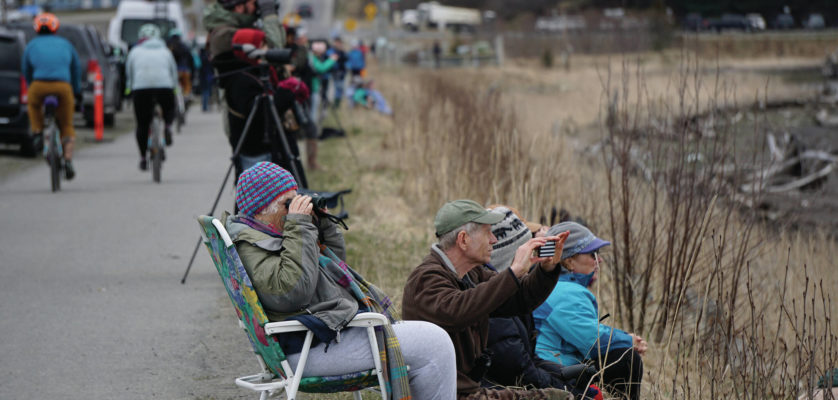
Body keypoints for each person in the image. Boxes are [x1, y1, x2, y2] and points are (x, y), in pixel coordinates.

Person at [223, 162, 457, 400]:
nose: (296, 208)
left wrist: (322, 226)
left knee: (432, 341)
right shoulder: (253, 247)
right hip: (308, 347)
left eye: (297, 200)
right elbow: (292, 293)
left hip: (318, 335)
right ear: (264, 209)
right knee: (435, 344)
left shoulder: (268, 235)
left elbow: (335, 271)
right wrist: (299, 226)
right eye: (288, 203)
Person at [402, 199, 573, 400]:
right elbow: (459, 310)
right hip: (446, 393)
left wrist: (546, 269)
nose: (493, 240)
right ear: (463, 239)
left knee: (559, 396)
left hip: (467, 389)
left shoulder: (469, 274)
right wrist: (513, 271)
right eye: (487, 232)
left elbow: (520, 298)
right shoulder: (426, 279)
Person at [533, 221, 646, 400]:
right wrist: (627, 340)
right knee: (626, 358)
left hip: (545, 365)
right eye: (592, 254)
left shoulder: (549, 285)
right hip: (552, 368)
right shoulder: (565, 291)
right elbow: (591, 340)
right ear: (569, 261)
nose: (599, 260)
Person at [22, 13, 81, 180]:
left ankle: (38, 132)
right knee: (67, 124)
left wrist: (30, 86)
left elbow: (26, 70)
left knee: (33, 107)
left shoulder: (31, 46)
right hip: (63, 87)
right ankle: (68, 160)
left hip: (38, 85)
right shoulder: (66, 44)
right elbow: (75, 69)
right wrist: (77, 91)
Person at [125, 24, 178, 171]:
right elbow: (173, 72)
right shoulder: (165, 51)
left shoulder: (134, 52)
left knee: (142, 125)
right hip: (164, 86)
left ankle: (143, 157)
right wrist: (174, 88)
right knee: (169, 108)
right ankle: (167, 125)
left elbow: (129, 74)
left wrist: (129, 89)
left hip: (141, 88)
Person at [166, 29, 196, 99]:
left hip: (175, 71)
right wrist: (192, 73)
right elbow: (191, 60)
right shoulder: (185, 46)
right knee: (186, 87)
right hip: (186, 70)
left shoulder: (169, 47)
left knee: (175, 86)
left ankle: (176, 96)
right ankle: (185, 98)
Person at [327, 37, 348, 109]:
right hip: (334, 73)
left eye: (339, 43)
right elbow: (332, 59)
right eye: (337, 42)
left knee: (340, 89)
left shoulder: (342, 51)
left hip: (342, 73)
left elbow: (346, 58)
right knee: (335, 88)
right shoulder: (332, 51)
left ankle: (337, 105)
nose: (338, 44)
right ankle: (333, 104)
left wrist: (342, 52)